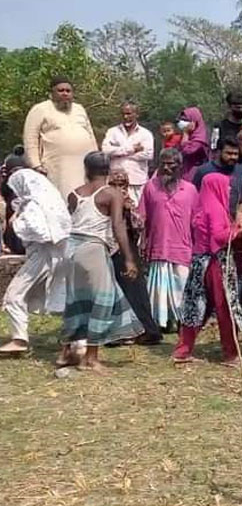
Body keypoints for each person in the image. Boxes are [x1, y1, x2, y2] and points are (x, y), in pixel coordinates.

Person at [59, 152, 143, 369]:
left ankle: (66, 353)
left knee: (76, 300)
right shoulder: (111, 194)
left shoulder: (74, 194)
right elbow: (118, 226)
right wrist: (129, 259)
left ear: (86, 170)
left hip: (72, 250)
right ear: (108, 171)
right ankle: (90, 358)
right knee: (103, 299)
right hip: (92, 249)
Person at [0, 157, 72, 355]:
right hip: (58, 253)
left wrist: (17, 222)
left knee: (14, 295)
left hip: (42, 254)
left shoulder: (33, 205)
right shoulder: (47, 200)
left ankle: (19, 339)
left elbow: (39, 231)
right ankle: (76, 339)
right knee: (60, 296)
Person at [173, 173, 242, 365]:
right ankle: (230, 353)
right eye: (226, 186)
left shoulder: (201, 205)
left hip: (199, 262)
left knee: (196, 307)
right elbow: (219, 236)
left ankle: (183, 350)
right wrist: (237, 229)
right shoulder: (216, 209)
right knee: (224, 307)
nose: (229, 190)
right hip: (215, 263)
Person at [141, 148, 197, 333]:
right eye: (163, 164)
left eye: (171, 164)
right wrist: (143, 241)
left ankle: (182, 322)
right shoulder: (150, 187)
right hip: (158, 246)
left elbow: (196, 220)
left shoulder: (190, 190)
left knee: (182, 286)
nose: (166, 168)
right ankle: (161, 322)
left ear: (180, 166)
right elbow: (142, 217)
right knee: (159, 291)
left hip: (183, 247)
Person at [107, 169, 162, 345]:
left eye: (122, 184)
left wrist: (128, 209)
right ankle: (118, 332)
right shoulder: (103, 200)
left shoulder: (129, 202)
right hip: (109, 249)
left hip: (127, 249)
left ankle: (147, 329)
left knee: (136, 291)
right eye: (114, 184)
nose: (119, 188)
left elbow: (139, 225)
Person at [22, 76, 98, 196]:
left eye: (68, 91)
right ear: (52, 93)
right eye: (60, 90)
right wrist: (36, 165)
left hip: (84, 166)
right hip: (57, 167)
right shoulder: (40, 109)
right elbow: (30, 138)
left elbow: (90, 135)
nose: (65, 94)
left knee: (84, 198)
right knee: (63, 197)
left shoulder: (79, 109)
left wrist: (96, 158)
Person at [100, 102, 155, 205]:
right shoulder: (112, 132)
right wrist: (131, 149)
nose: (125, 117)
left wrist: (117, 153)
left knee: (136, 211)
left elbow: (148, 154)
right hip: (115, 182)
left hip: (137, 181)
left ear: (136, 114)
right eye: (123, 114)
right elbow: (105, 150)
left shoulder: (145, 134)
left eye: (129, 114)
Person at [176, 106, 210, 183]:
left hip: (194, 174)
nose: (183, 123)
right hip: (183, 172)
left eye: (186, 120)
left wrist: (185, 133)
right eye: (182, 120)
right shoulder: (187, 136)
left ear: (194, 121)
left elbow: (187, 151)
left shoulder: (200, 138)